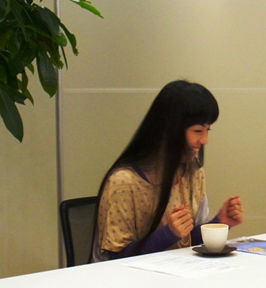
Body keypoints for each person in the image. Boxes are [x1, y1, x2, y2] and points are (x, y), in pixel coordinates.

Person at [91, 80, 244, 261]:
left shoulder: (194, 174)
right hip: (127, 277)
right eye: (197, 130)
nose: (204, 140)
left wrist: (220, 222)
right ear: (169, 130)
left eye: (208, 130)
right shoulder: (124, 182)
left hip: (175, 271)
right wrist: (168, 234)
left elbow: (186, 242)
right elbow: (115, 259)